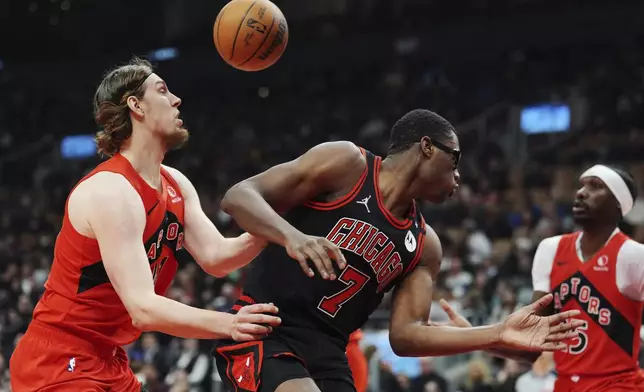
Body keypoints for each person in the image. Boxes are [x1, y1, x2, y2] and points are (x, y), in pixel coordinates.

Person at [213, 109, 583, 392]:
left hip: (328, 352)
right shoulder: (347, 164)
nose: (458, 177)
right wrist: (291, 236)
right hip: (264, 327)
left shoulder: (425, 244)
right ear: (426, 147)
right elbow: (239, 196)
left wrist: (495, 333)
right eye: (454, 161)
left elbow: (406, 336)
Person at [9, 58, 281, 391]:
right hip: (58, 361)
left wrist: (279, 222)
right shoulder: (110, 190)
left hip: (110, 358)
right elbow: (142, 308)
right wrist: (231, 323)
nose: (176, 100)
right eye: (163, 90)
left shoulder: (175, 183)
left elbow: (218, 257)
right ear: (135, 105)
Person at [441, 164, 644, 391]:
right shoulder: (551, 250)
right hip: (565, 384)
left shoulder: (632, 255)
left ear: (617, 204)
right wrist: (471, 336)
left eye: (595, 187)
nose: (581, 192)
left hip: (618, 385)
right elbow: (531, 349)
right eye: (582, 185)